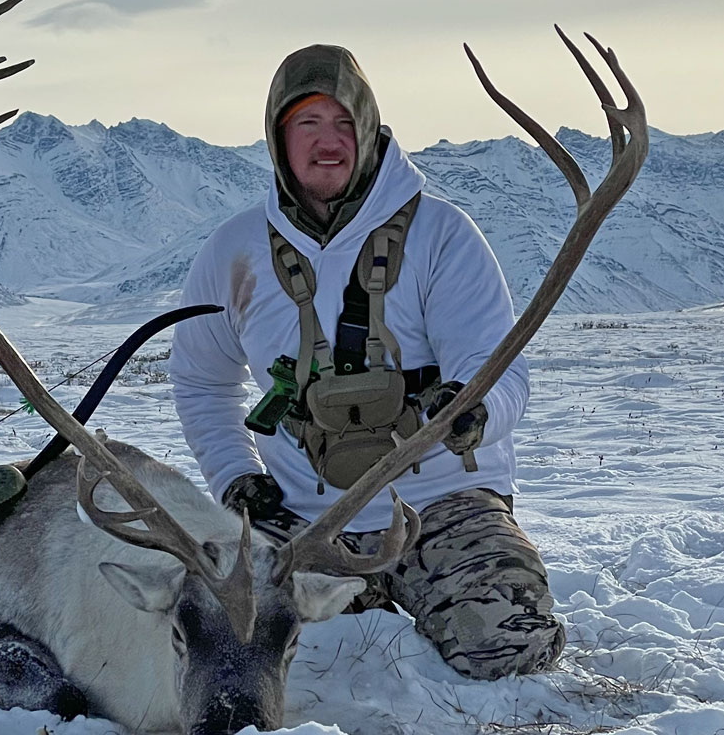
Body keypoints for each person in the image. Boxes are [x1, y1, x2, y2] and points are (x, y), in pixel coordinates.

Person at [169, 44, 564, 680]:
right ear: (277, 137)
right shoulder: (233, 252)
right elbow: (200, 381)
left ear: (371, 129)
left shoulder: (443, 235)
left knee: (505, 651)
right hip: (303, 519)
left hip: (444, 502)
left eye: (344, 123)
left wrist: (474, 413)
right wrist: (234, 479)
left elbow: (499, 367)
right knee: (237, 651)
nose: (329, 143)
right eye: (308, 124)